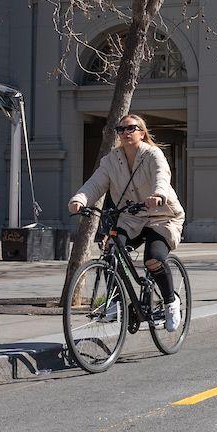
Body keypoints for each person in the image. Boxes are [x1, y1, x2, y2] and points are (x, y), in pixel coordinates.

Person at [69, 114, 185, 331]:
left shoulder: (153, 154)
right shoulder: (111, 160)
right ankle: (117, 301)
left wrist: (159, 194)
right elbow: (95, 184)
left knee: (154, 259)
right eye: (120, 129)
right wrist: (79, 199)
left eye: (130, 128)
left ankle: (170, 301)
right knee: (110, 249)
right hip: (131, 217)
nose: (125, 133)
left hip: (162, 216)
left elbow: (162, 175)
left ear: (142, 132)